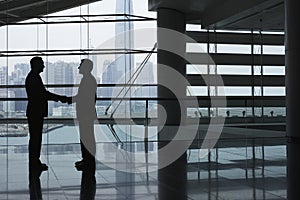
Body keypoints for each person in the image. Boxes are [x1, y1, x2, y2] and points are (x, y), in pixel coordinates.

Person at [25, 56, 69, 172]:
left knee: (35, 138)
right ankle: (35, 162)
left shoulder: (33, 77)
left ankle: (34, 162)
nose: (44, 66)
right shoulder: (34, 78)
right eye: (42, 64)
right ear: (36, 65)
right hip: (36, 112)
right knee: (36, 138)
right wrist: (60, 98)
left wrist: (59, 98)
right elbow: (43, 94)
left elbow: (42, 94)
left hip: (34, 112)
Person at [68, 59, 97, 171]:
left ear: (85, 67)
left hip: (85, 113)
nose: (78, 67)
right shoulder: (89, 79)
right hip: (87, 113)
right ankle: (87, 160)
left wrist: (68, 99)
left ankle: (88, 161)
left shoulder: (88, 80)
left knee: (86, 137)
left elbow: (82, 97)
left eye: (80, 65)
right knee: (87, 137)